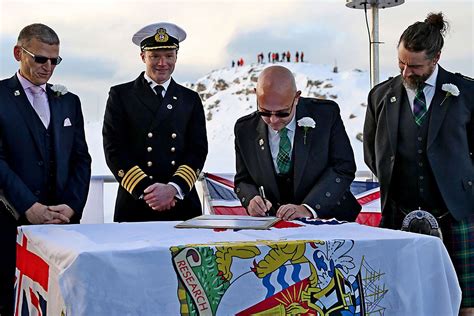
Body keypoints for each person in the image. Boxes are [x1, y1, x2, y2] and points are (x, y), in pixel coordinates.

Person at [363, 12, 473, 313]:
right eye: (401, 63)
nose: (406, 72)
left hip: (456, 213)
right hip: (399, 214)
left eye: (414, 66)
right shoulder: (381, 95)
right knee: (403, 299)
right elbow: (373, 152)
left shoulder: (467, 93)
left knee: (465, 303)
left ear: (436, 58)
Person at [0, 23, 91, 314]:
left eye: (55, 60)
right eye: (40, 59)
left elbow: (81, 159)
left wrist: (72, 206)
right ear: (18, 53)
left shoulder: (69, 102)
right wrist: (28, 205)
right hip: (10, 225)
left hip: (61, 229)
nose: (48, 67)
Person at [103, 22, 208, 223]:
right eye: (155, 56)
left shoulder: (190, 99)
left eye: (169, 56)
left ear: (176, 56)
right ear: (143, 56)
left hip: (181, 202)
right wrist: (147, 192)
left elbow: (198, 149)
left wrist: (173, 189)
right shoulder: (121, 95)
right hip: (136, 203)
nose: (162, 63)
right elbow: (114, 149)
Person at [234, 65, 361, 221]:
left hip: (329, 220)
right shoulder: (244, 129)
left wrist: (308, 208)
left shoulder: (326, 116)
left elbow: (343, 167)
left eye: (282, 113)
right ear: (256, 96)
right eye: (264, 112)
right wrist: (251, 199)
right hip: (274, 226)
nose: (273, 120)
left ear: (296, 98)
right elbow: (243, 179)